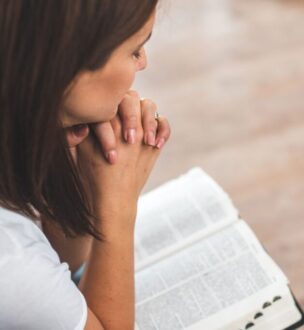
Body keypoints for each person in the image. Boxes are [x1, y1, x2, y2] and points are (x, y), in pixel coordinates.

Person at [0, 0, 171, 329]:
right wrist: (117, 206)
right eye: (135, 50)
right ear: (68, 63)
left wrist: (79, 180)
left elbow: (58, 267)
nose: (144, 63)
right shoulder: (8, 256)